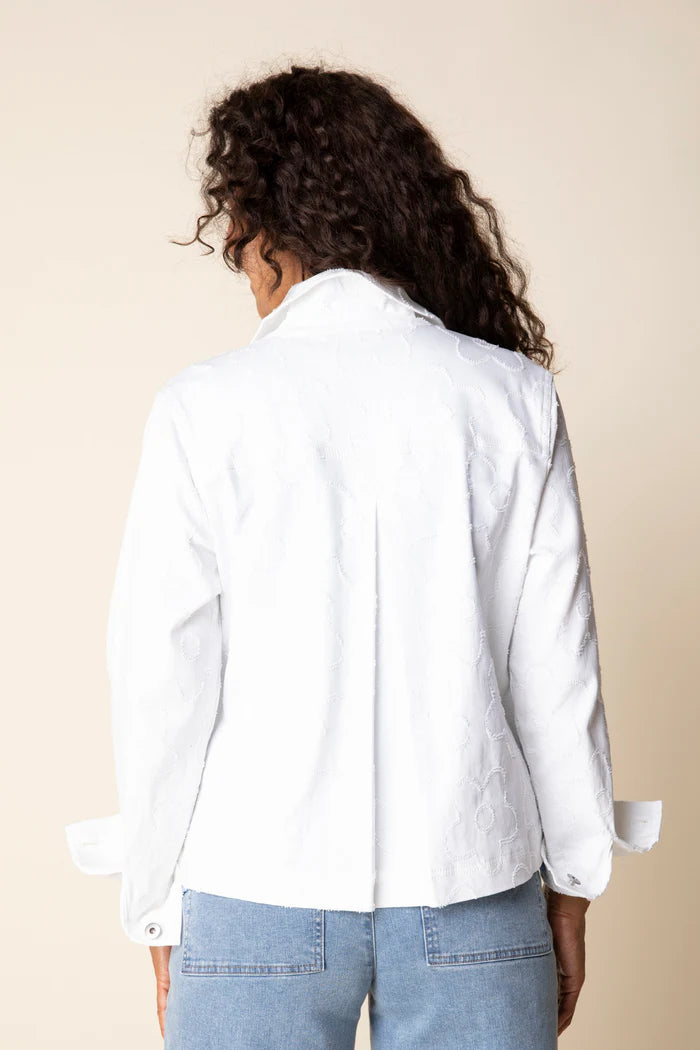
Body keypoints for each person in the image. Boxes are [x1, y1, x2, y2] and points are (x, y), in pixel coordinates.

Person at [64, 63, 662, 1048]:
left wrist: (157, 904)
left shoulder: (203, 410)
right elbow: (558, 677)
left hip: (255, 887)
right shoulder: (511, 400)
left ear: (264, 226)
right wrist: (572, 887)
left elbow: (162, 681)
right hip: (475, 891)